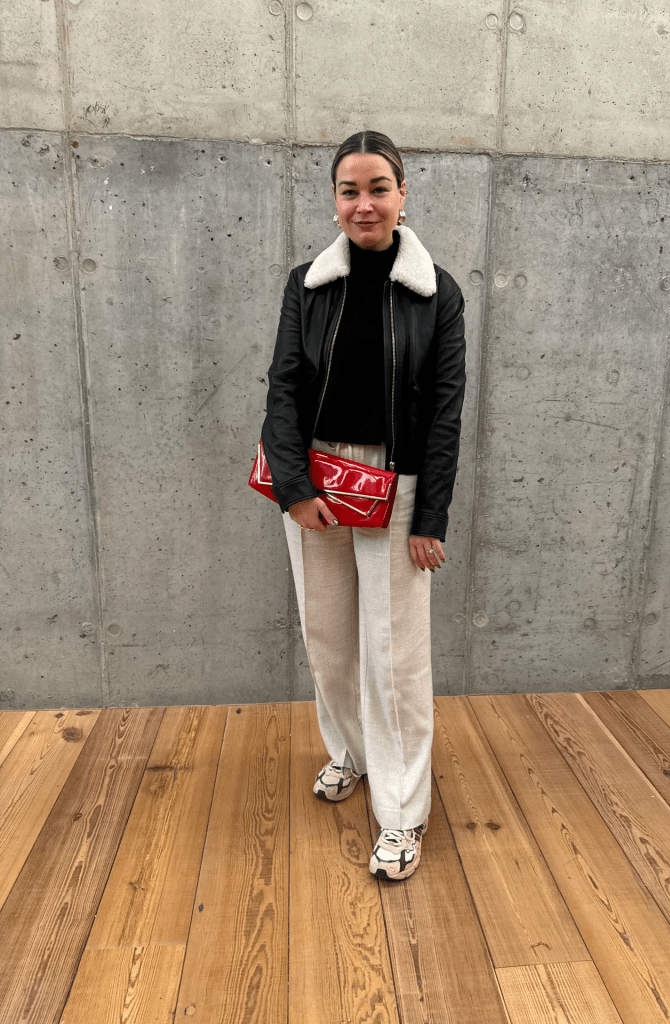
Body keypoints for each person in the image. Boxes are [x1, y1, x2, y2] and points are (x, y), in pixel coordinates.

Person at [262, 130, 466, 880]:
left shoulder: (437, 292)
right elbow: (284, 387)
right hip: (316, 478)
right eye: (350, 190)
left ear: (402, 194)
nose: (364, 203)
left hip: (397, 484)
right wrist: (294, 489)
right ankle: (351, 751)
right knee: (327, 637)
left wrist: (429, 518)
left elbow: (444, 409)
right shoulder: (307, 284)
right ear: (335, 199)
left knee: (394, 654)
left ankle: (402, 814)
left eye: (379, 187)